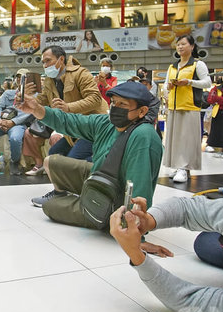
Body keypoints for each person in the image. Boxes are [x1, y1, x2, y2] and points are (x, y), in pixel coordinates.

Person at [17, 82, 164, 235]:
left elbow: (139, 187)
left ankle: (92, 210)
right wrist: (36, 109)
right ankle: (75, 197)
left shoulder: (143, 136)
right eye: (113, 102)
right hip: (101, 179)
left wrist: (135, 231)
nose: (115, 107)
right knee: (52, 161)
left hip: (113, 203)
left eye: (123, 104)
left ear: (142, 111)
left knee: (50, 206)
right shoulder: (107, 123)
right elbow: (69, 122)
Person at [22, 45, 107, 177]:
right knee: (54, 155)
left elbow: (95, 99)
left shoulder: (80, 73)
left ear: (61, 59)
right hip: (71, 129)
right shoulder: (50, 80)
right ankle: (60, 191)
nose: (45, 65)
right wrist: (27, 99)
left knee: (72, 161)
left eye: (48, 60)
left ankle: (83, 187)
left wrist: (68, 107)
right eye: (43, 62)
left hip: (92, 129)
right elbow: (42, 100)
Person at [162, 34, 211, 183]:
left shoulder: (197, 64)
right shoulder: (172, 66)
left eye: (183, 44)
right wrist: (168, 87)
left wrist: (189, 82)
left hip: (190, 106)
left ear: (192, 46)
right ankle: (178, 166)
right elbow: (164, 86)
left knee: (187, 139)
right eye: (178, 44)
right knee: (175, 139)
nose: (180, 47)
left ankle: (184, 168)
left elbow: (207, 82)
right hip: (174, 107)